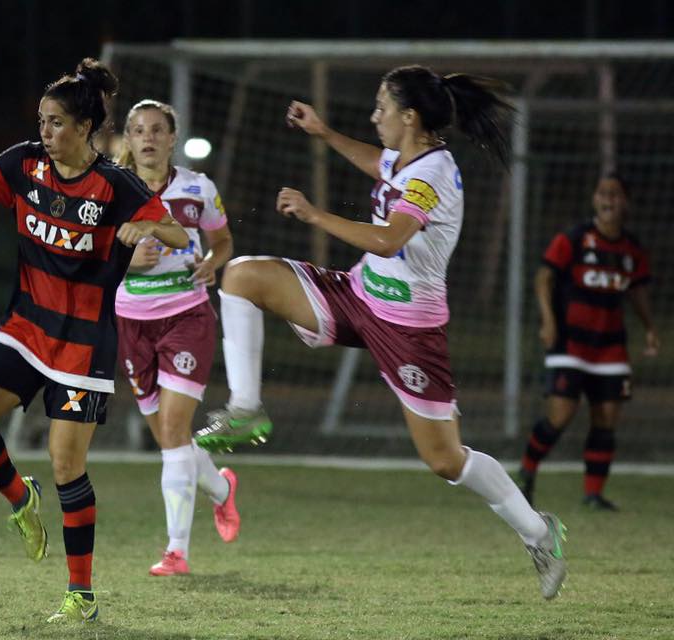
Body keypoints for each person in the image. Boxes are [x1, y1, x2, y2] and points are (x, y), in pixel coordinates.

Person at [194, 65, 568, 600]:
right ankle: (246, 409)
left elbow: (391, 240)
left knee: (444, 459)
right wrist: (323, 133)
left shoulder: (433, 174)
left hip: (409, 327)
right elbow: (379, 163)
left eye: (381, 109)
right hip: (360, 295)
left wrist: (314, 214)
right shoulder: (408, 156)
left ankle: (538, 532)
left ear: (409, 117)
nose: (374, 117)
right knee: (243, 275)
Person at [0, 58, 188, 624]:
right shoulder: (22, 164)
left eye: (55, 123)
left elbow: (175, 229)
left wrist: (148, 226)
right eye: (42, 121)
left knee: (66, 466)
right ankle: (19, 500)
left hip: (84, 343)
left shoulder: (117, 186)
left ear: (84, 128)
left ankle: (81, 596)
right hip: (25, 327)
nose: (45, 133)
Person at [114, 100, 239, 576]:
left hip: (187, 315)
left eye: (157, 130)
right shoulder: (108, 191)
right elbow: (87, 255)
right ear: (128, 139)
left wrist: (214, 261)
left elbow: (222, 240)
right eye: (139, 130)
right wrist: (128, 264)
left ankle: (176, 551)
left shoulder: (196, 188)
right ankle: (224, 491)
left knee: (172, 434)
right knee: (174, 440)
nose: (148, 137)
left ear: (172, 138)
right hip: (131, 321)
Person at [517, 173, 659, 511]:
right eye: (602, 193)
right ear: (595, 200)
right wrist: (549, 320)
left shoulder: (631, 249)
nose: (608, 199)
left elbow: (637, 291)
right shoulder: (575, 238)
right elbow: (543, 276)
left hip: (610, 346)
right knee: (560, 415)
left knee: (607, 418)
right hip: (570, 343)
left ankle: (593, 494)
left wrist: (650, 327)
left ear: (625, 202)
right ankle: (527, 471)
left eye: (615, 193)